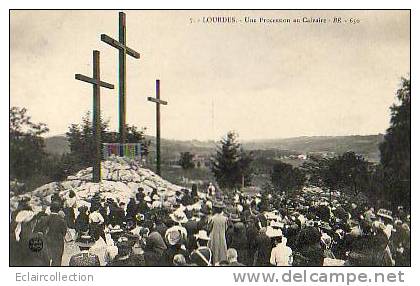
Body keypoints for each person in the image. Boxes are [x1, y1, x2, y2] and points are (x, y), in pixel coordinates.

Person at [41, 201, 67, 266]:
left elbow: (41, 231)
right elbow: (64, 233)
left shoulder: (44, 219)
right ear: (59, 210)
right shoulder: (62, 220)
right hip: (58, 242)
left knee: (45, 261)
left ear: (50, 209)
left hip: (46, 241)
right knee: (57, 261)